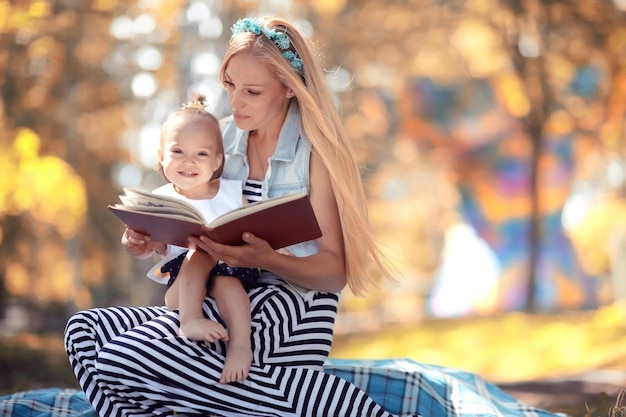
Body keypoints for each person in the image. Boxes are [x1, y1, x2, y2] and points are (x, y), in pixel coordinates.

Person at [65, 16, 560, 417]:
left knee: (125, 360)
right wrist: (149, 236)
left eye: (252, 92)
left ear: (289, 89)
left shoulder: (316, 155)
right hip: (220, 294)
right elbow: (187, 210)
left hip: (294, 305)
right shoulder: (219, 136)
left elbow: (332, 272)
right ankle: (284, 399)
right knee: (85, 334)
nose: (235, 102)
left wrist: (266, 259)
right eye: (230, 85)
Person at [122, 93, 258, 384]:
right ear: (161, 156)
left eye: (201, 154)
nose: (189, 162)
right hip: (182, 284)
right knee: (196, 254)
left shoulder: (231, 192)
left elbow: (251, 227)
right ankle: (190, 320)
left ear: (217, 161)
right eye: (178, 151)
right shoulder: (159, 201)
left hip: (229, 271)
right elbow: (153, 246)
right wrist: (137, 244)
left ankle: (240, 346)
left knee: (222, 276)